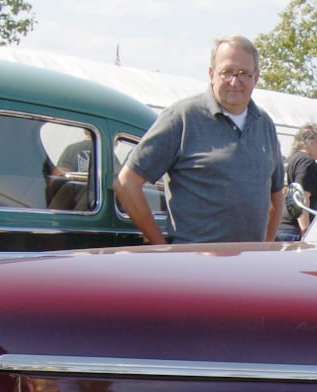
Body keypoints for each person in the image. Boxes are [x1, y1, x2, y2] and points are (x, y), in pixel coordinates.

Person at [114, 35, 283, 243]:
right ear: (211, 74)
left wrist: (264, 248)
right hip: (195, 268)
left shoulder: (264, 123)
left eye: (243, 74)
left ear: (255, 78)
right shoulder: (182, 117)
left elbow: (277, 195)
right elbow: (126, 183)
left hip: (249, 268)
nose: (234, 81)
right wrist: (163, 249)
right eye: (226, 72)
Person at [277, 122, 317, 241]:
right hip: (293, 229)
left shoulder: (289, 160)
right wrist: (305, 230)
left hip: (279, 224)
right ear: (307, 142)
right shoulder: (306, 162)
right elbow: (300, 197)